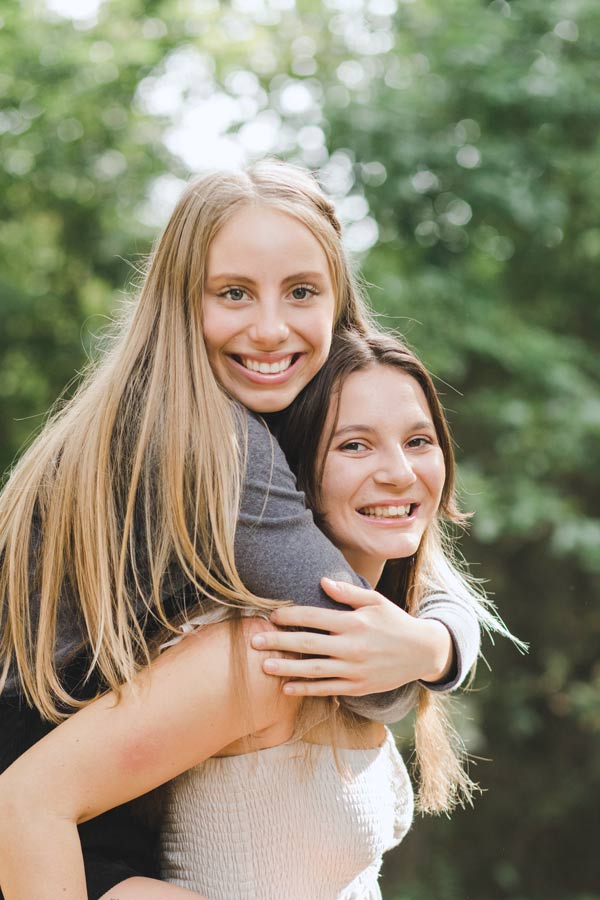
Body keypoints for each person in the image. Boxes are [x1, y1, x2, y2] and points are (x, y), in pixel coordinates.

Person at [0, 161, 484, 900]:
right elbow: (355, 663)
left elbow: (420, 560)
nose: (269, 327)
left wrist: (434, 642)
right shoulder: (208, 439)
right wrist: (419, 653)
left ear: (339, 302)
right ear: (177, 301)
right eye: (232, 293)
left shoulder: (194, 400)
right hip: (38, 770)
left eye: (301, 292)